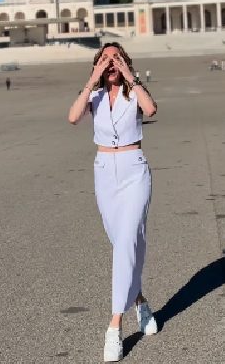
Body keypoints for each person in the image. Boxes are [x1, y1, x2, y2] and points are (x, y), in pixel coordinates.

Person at [67, 42, 159, 362]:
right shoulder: (93, 96)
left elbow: (151, 109)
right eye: (104, 59)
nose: (110, 64)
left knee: (127, 241)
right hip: (105, 173)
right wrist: (92, 78)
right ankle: (140, 302)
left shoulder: (133, 92)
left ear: (124, 62)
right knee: (122, 243)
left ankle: (114, 326)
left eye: (115, 58)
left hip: (134, 170)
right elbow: (72, 117)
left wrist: (129, 74)